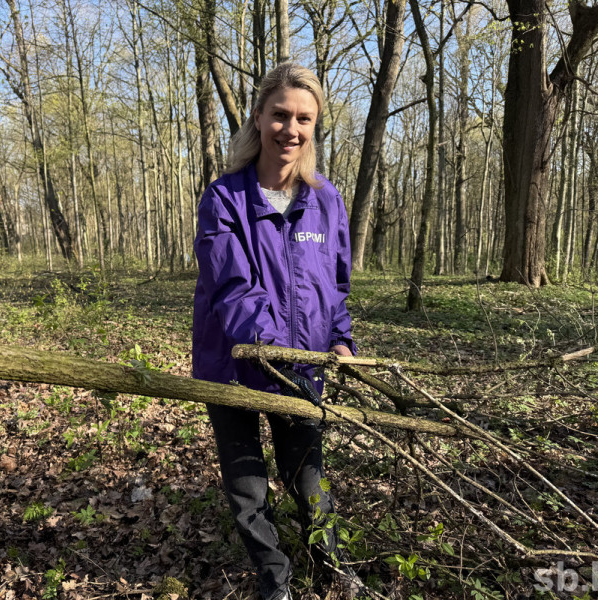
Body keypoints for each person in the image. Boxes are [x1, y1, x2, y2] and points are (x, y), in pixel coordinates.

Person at [192, 62, 363, 600]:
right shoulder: (224, 200)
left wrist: (339, 340)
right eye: (280, 115)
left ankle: (332, 567)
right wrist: (273, 350)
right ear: (259, 118)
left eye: (304, 119)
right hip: (234, 366)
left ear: (315, 127)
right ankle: (275, 581)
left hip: (302, 372)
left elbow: (335, 287)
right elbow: (232, 288)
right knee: (247, 491)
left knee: (307, 480)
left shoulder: (327, 201)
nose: (291, 129)